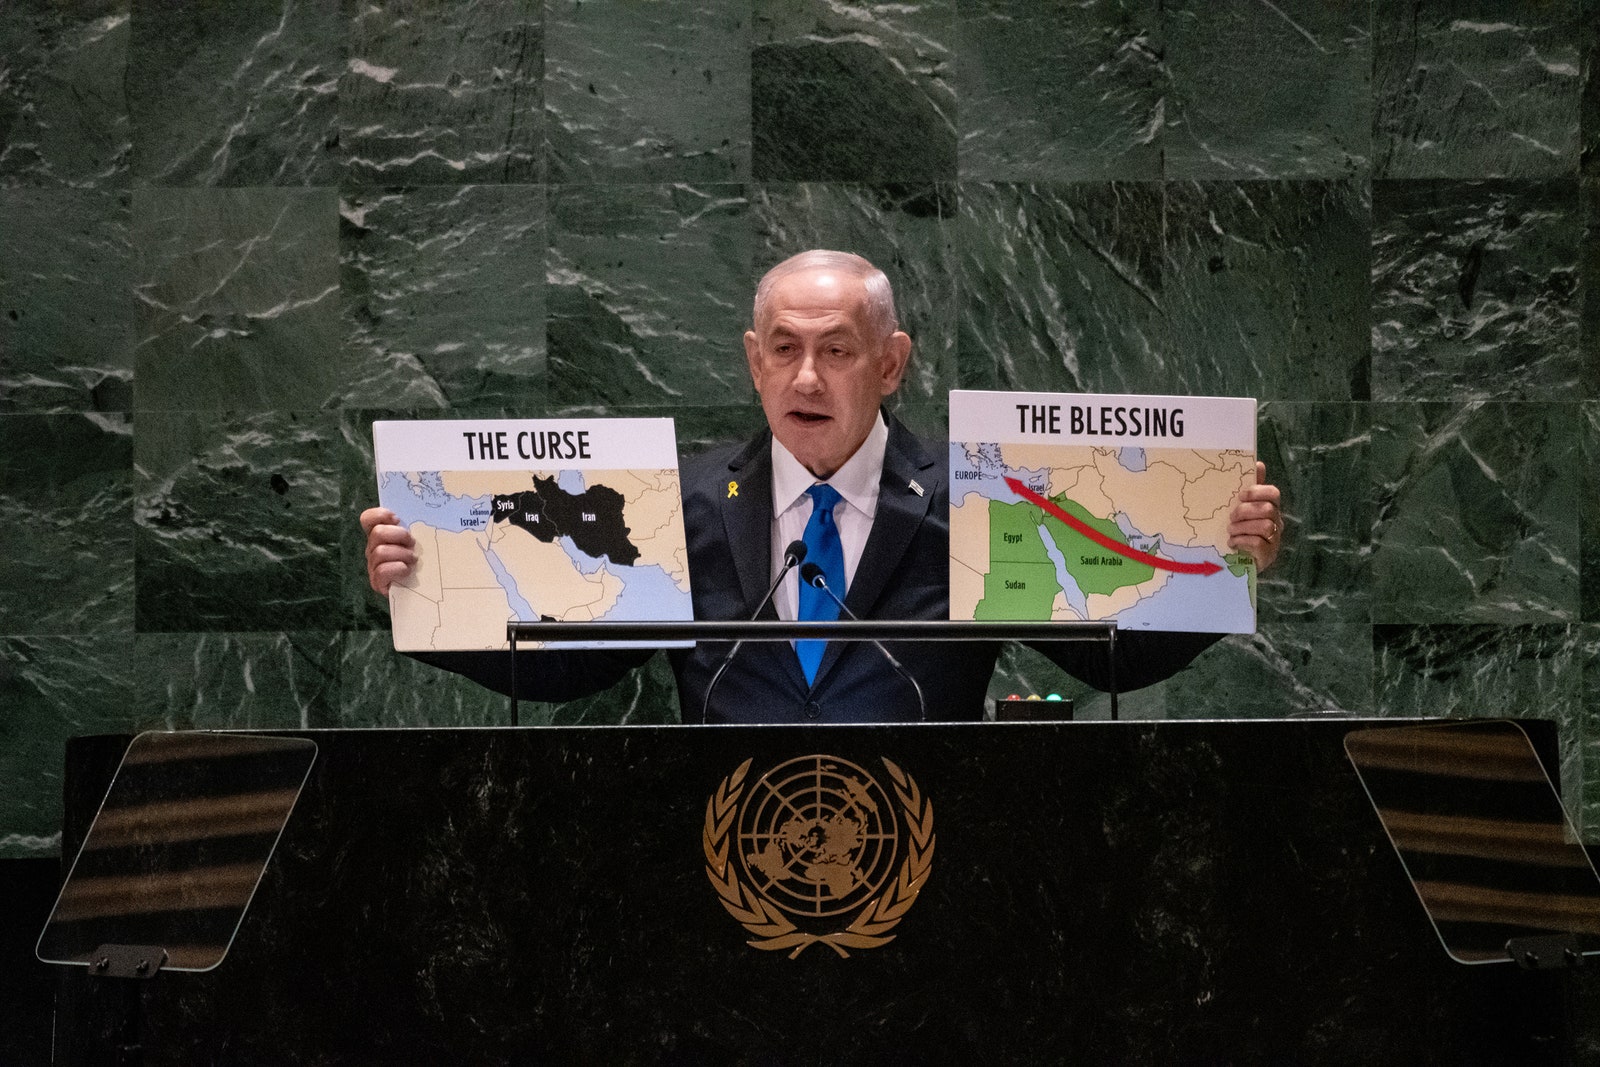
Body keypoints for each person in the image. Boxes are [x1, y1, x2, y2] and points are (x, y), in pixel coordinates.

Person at [361, 250, 1283, 723]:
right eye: (786, 351)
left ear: (889, 365)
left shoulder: (976, 498)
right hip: (725, 857)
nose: (808, 379)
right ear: (754, 363)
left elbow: (1103, 658)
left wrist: (1216, 567)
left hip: (926, 857)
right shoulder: (680, 502)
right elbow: (575, 663)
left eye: (837, 351)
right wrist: (428, 594)